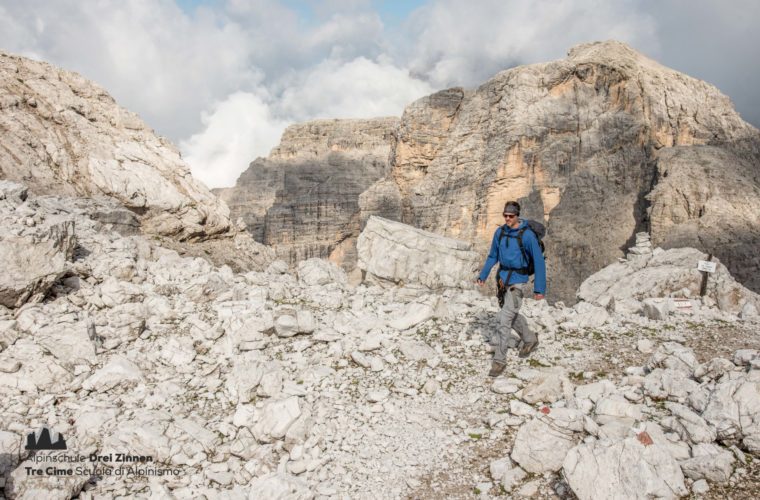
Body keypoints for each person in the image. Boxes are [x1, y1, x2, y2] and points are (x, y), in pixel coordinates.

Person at [476, 201, 546, 377]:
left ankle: (499, 361)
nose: (507, 219)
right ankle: (530, 339)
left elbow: (539, 262)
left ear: (517, 215)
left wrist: (539, 289)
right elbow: (493, 256)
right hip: (502, 279)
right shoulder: (499, 233)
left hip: (518, 282)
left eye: (511, 216)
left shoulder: (528, 236)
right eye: (505, 215)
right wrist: (483, 275)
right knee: (510, 313)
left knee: (504, 319)